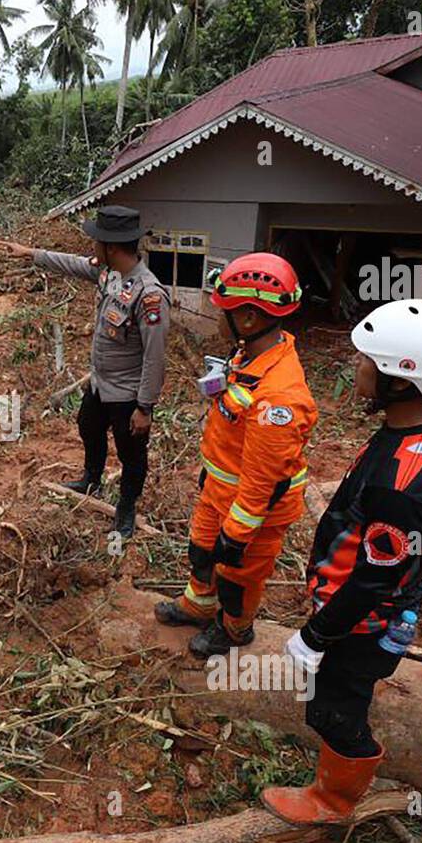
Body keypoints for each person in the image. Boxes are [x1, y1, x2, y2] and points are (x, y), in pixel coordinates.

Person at [261, 298, 422, 824]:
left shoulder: (401, 487)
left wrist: (317, 635)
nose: (356, 366)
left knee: (332, 706)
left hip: (363, 615)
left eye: (368, 360)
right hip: (391, 594)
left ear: (403, 380)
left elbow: (372, 578)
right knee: (348, 686)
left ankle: (334, 800)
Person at [154, 253, 317, 658]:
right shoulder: (251, 354)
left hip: (253, 511)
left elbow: (264, 481)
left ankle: (235, 630)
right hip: (221, 491)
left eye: (222, 311)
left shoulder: (278, 399)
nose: (216, 318)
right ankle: (197, 605)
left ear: (247, 318)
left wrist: (238, 533)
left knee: (237, 576)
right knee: (202, 551)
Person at [0, 205, 168, 538]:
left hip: (128, 394)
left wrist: (144, 407)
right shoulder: (109, 274)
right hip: (100, 384)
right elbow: (73, 264)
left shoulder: (149, 296)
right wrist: (31, 253)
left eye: (96, 242)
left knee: (131, 454)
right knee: (88, 426)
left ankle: (126, 506)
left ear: (112, 247)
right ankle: (92, 479)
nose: (91, 248)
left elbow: (155, 358)